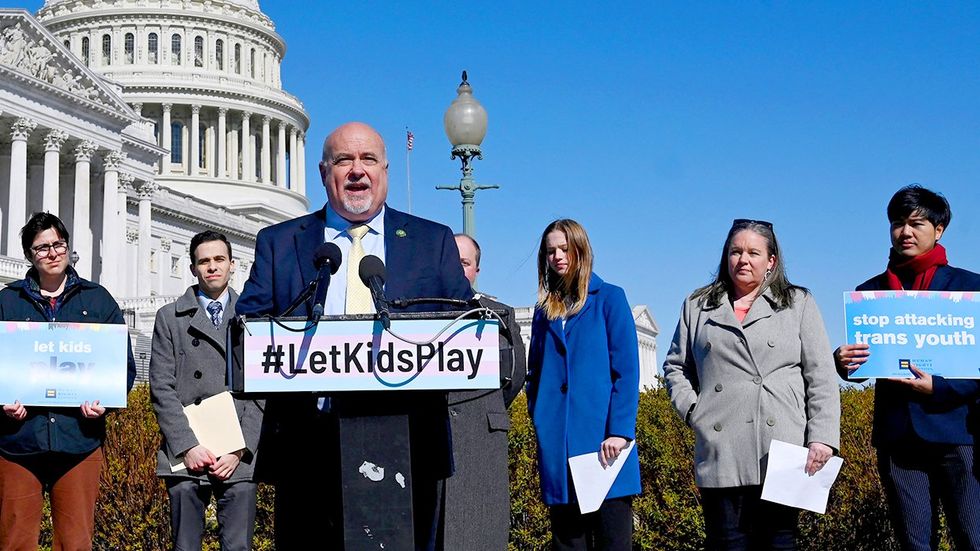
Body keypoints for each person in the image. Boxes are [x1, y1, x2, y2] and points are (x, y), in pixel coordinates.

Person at [235, 122, 472, 550]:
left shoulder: (430, 241)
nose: (356, 170)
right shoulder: (280, 243)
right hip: (309, 446)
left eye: (368, 160)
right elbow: (247, 329)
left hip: (409, 444)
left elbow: (466, 326)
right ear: (324, 172)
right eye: (344, 160)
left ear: (385, 170)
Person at [662, 218, 840, 550]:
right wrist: (693, 411)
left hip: (782, 447)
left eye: (753, 252)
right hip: (720, 448)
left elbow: (821, 376)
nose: (743, 259)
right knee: (726, 542)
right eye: (735, 251)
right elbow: (675, 366)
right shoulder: (697, 305)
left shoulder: (798, 302)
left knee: (778, 543)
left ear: (771, 261)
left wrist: (822, 438)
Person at [833, 185, 980, 551]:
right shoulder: (870, 293)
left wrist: (942, 388)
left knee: (972, 536)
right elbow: (861, 367)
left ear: (939, 229)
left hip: (958, 432)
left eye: (916, 223)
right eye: (898, 223)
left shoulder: (969, 289)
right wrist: (844, 362)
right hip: (898, 436)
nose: (906, 232)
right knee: (914, 544)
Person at [0, 212, 136, 549]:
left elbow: (124, 367)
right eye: (41, 248)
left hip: (79, 439)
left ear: (68, 247)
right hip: (18, 441)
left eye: (58, 244)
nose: (52, 253)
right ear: (29, 254)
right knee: (15, 540)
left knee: (76, 542)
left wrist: (104, 401)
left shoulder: (98, 300)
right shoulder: (7, 301)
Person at [526, 219, 641, 550]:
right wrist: (541, 419)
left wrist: (619, 430)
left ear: (581, 250)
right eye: (550, 251)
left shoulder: (610, 298)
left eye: (565, 249)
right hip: (559, 453)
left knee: (613, 543)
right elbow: (537, 372)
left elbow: (626, 371)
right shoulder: (543, 310)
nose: (558, 257)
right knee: (567, 544)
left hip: (605, 451)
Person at [149, 231, 264, 550]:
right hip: (188, 453)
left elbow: (262, 392)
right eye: (204, 261)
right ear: (193, 268)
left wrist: (240, 448)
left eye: (218, 260)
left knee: (238, 546)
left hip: (237, 454)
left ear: (232, 265)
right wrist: (188, 446)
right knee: (184, 545)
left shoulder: (254, 317)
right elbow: (161, 388)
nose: (212, 267)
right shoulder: (169, 318)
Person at [441, 233, 527, 551]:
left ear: (476, 269)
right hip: (435, 435)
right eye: (451, 261)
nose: (458, 268)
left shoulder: (498, 316)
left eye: (465, 262)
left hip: (482, 437)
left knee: (481, 533)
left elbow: (514, 376)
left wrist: (482, 407)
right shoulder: (417, 315)